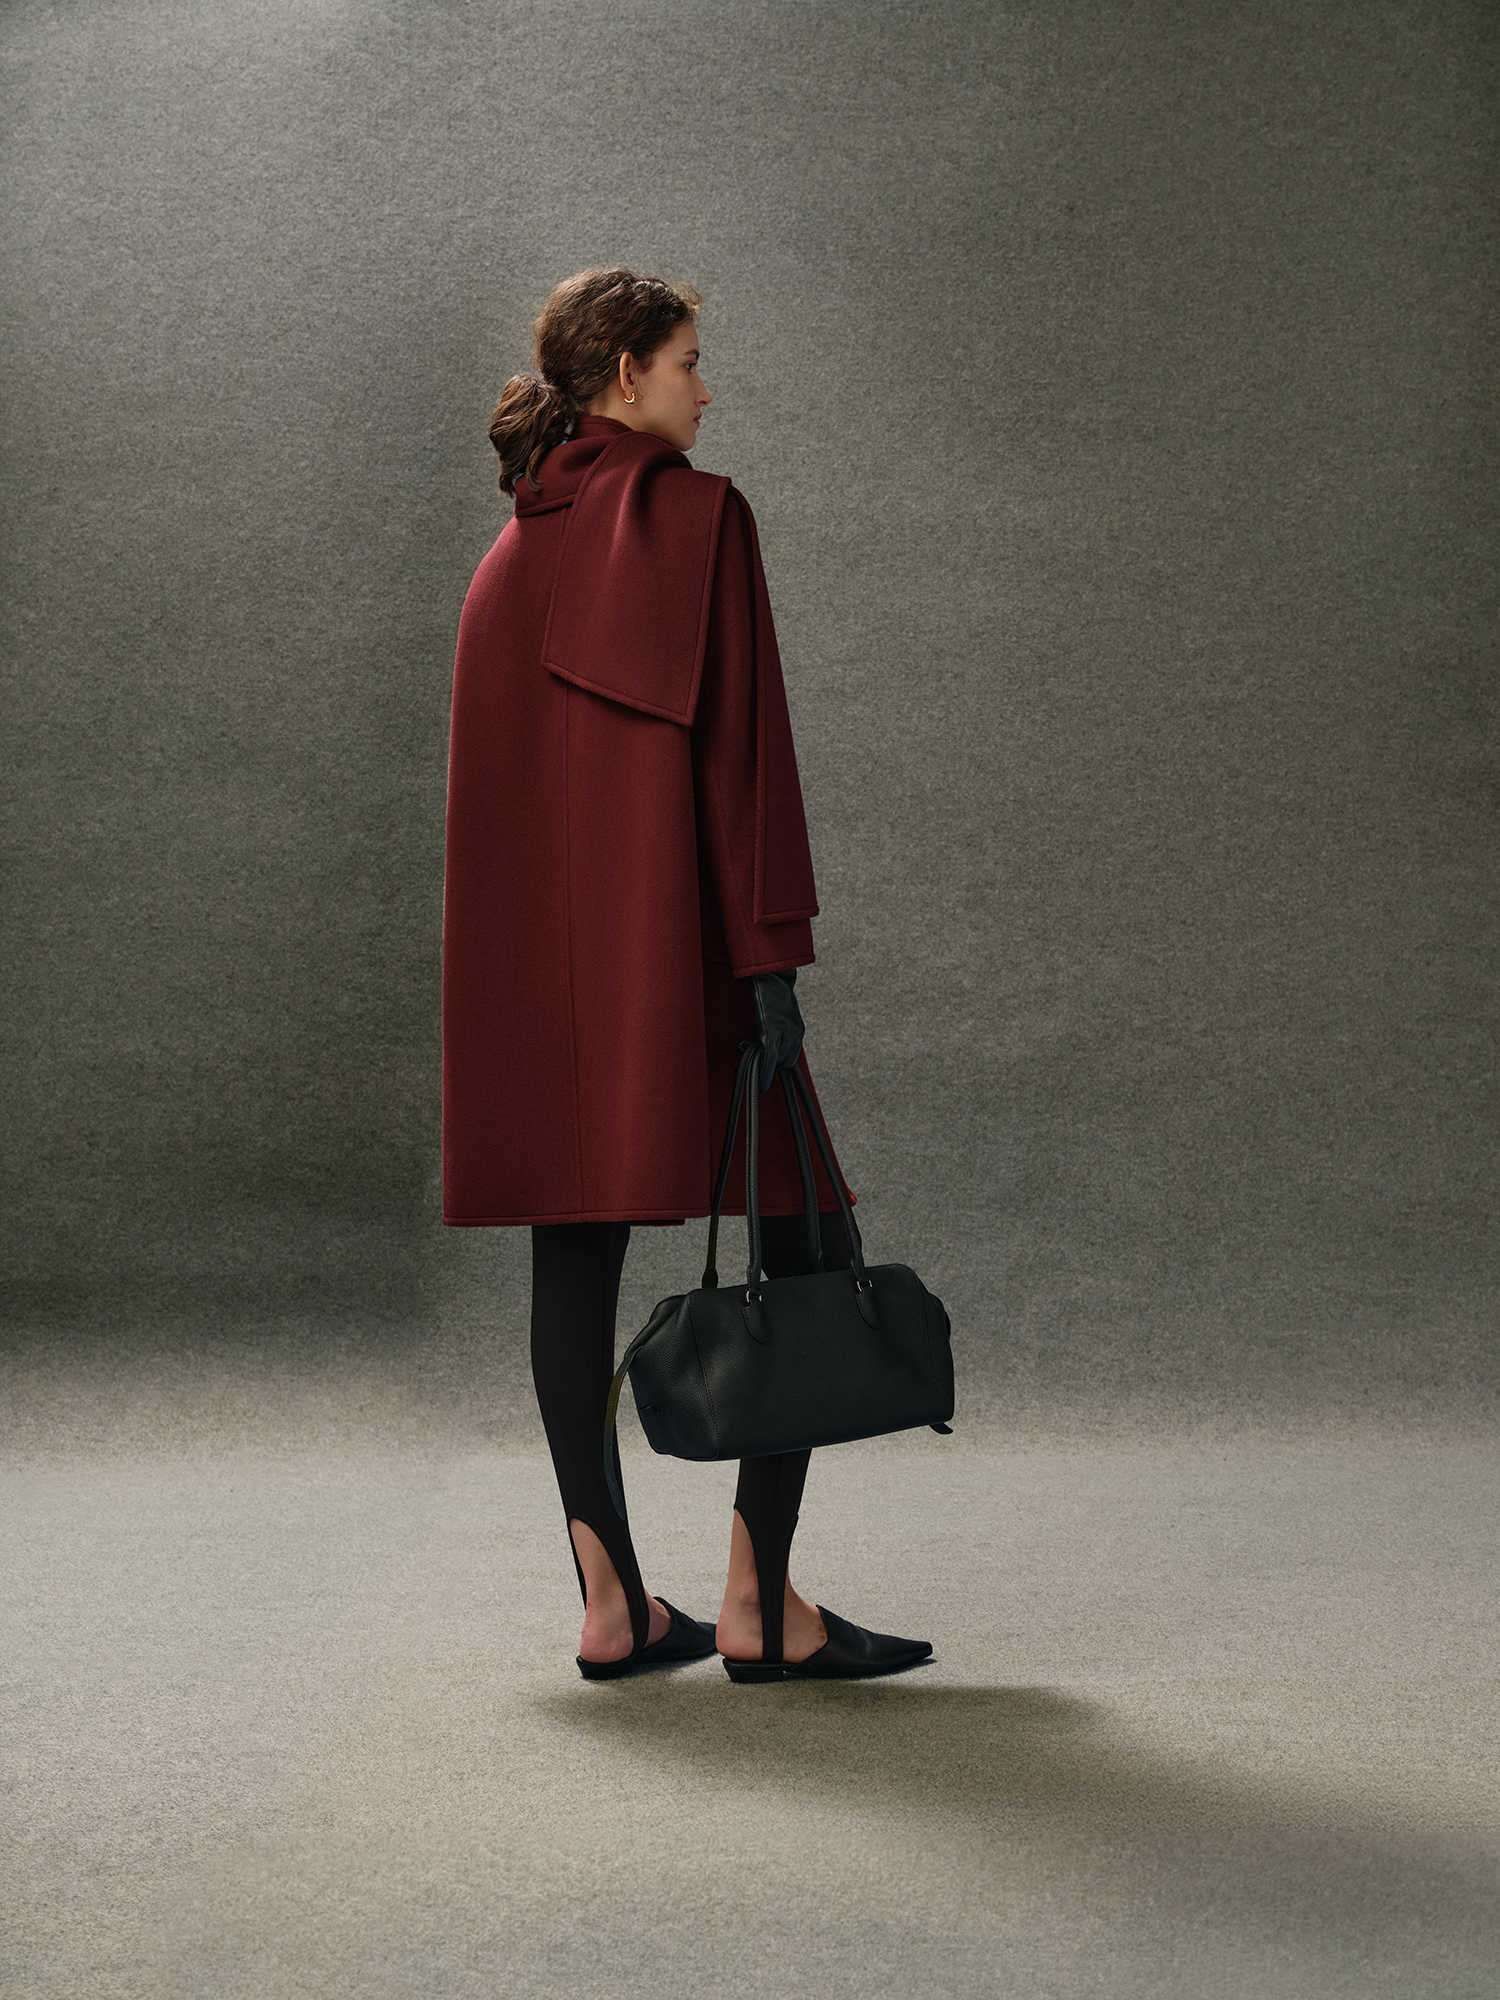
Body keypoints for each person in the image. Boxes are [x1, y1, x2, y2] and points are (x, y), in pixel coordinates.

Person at [442, 265, 931, 1683]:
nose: (707, 391)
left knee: (573, 1251)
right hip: (694, 959)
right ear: (625, 375)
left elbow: (496, 821)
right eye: (689, 362)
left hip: (546, 989)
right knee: (809, 1247)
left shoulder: (503, 564)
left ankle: (609, 1602)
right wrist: (769, 962)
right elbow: (744, 762)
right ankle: (759, 1603)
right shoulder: (703, 521)